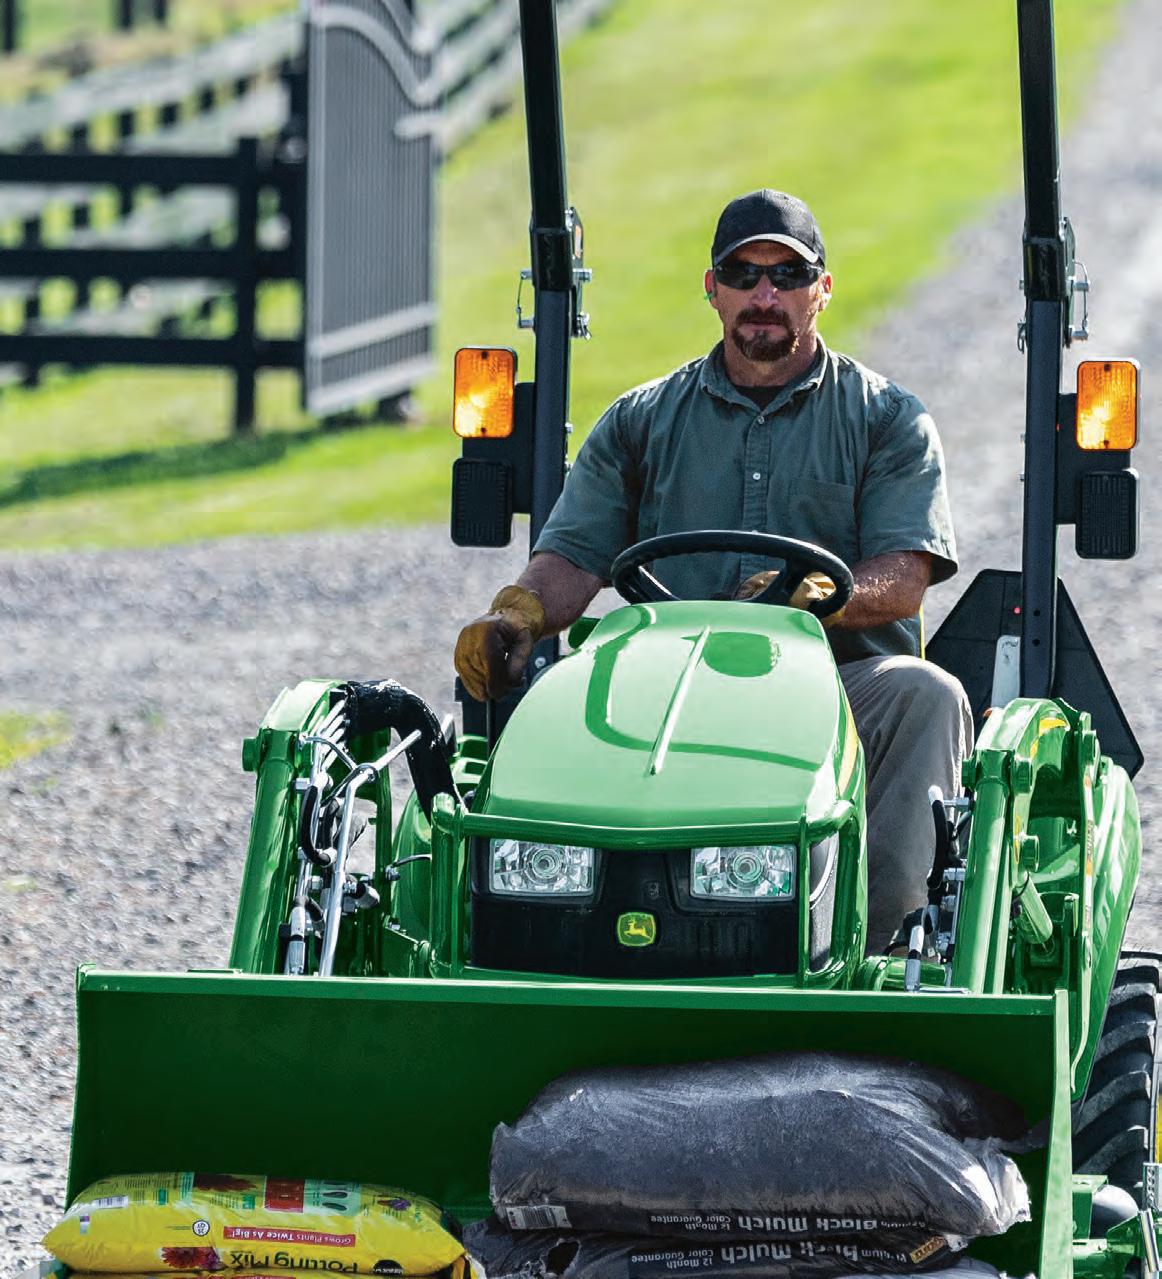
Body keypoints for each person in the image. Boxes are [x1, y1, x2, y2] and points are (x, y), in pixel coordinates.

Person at [454, 188, 973, 952]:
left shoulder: (885, 419)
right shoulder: (639, 421)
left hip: (838, 689)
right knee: (553, 690)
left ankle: (886, 950)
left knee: (928, 693)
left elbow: (903, 576)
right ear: (713, 289)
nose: (765, 295)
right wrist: (518, 615)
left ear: (822, 290)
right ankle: (541, 931)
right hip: (666, 689)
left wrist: (811, 598)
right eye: (743, 273)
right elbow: (572, 555)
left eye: (787, 275)